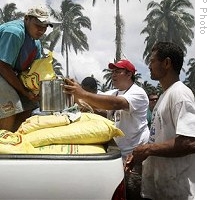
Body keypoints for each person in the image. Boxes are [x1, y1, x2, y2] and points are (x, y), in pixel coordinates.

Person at [125, 42, 195, 200]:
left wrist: (148, 149)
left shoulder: (180, 94)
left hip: (178, 193)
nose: (149, 65)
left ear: (167, 63)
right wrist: (140, 154)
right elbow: (161, 138)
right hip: (161, 191)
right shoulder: (165, 96)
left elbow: (191, 142)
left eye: (152, 60)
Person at [62, 59, 150, 161]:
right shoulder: (114, 93)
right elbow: (92, 101)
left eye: (117, 72)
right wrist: (74, 91)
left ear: (129, 74)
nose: (113, 75)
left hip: (135, 154)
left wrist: (82, 93)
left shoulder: (138, 93)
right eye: (112, 72)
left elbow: (115, 103)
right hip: (120, 153)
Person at [0, 5, 53, 132]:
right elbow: (3, 66)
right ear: (27, 19)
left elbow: (35, 72)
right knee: (11, 106)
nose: (41, 30)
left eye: (44, 27)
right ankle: (4, 145)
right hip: (2, 70)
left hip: (8, 73)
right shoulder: (14, 32)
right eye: (38, 25)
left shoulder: (36, 43)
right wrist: (24, 91)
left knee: (31, 105)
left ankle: (13, 139)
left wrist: (35, 91)